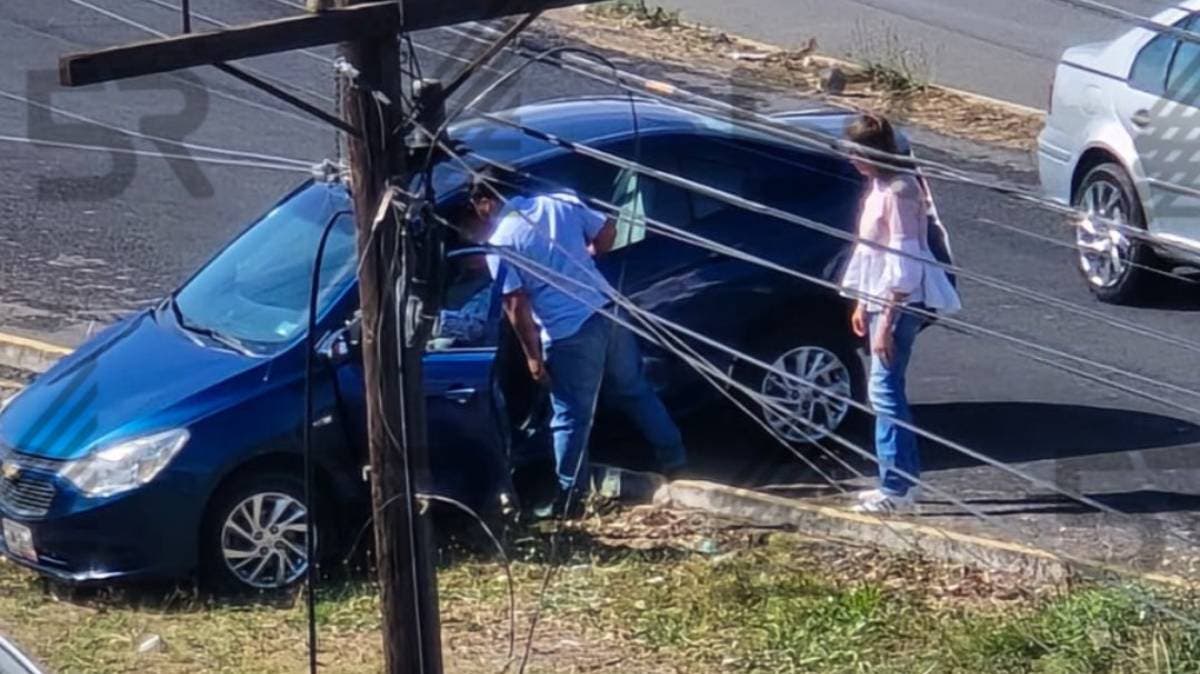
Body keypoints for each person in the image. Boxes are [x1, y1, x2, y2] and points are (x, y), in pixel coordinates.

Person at [466, 169, 688, 517]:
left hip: (568, 332)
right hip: (608, 311)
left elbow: (515, 305)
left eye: (476, 204)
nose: (478, 213)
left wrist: (533, 358)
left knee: (570, 417)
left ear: (487, 201)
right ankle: (675, 460)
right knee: (634, 389)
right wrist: (588, 252)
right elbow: (608, 231)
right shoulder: (561, 201)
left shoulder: (501, 242)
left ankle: (572, 498)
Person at [840, 114, 961, 514]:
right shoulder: (879, 185)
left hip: (898, 305)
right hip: (878, 301)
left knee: (885, 393)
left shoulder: (900, 191)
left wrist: (886, 324)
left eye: (856, 152)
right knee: (887, 391)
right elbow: (870, 251)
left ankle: (895, 488)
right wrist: (861, 301)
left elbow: (903, 263)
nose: (851, 160)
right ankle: (902, 482)